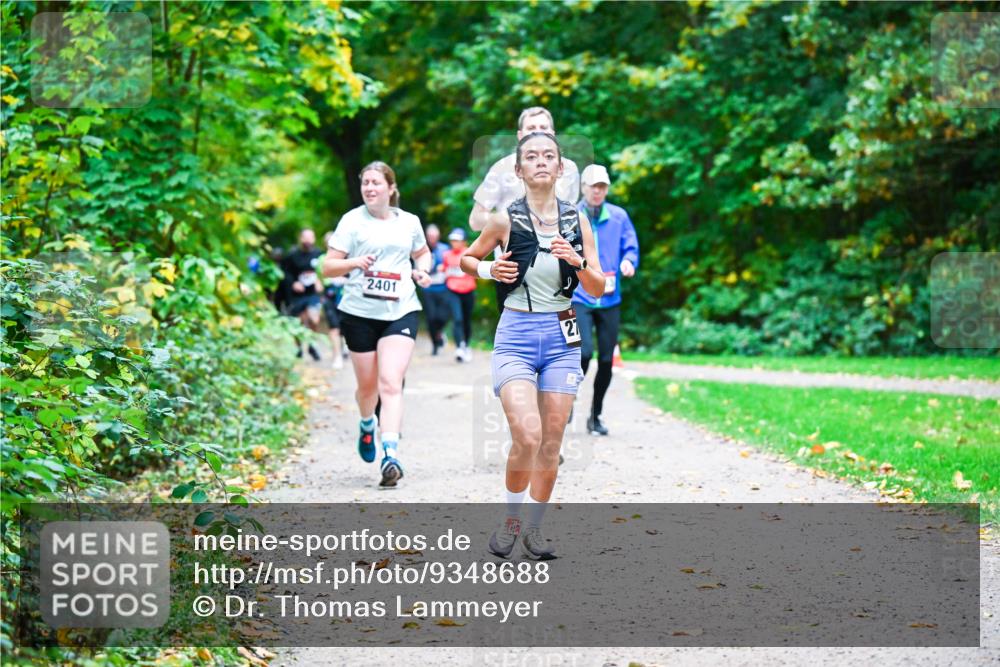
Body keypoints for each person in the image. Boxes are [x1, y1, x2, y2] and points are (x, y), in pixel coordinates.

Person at [460, 132, 604, 559]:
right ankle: (510, 519)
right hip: (516, 337)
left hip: (562, 336)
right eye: (531, 157)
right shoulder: (505, 218)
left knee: (552, 441)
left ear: (561, 169)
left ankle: (534, 531)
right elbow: (468, 259)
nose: (541, 162)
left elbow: (597, 287)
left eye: (549, 156)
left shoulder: (577, 221)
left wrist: (576, 261)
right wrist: (489, 270)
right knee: (527, 434)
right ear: (519, 170)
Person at [322, 161, 433, 488]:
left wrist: (422, 271)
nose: (370, 188)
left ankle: (391, 454)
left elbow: (423, 253)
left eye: (376, 182)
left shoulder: (409, 222)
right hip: (359, 313)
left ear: (390, 188)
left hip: (401, 309)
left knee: (390, 383)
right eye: (365, 183)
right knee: (367, 389)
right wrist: (354, 262)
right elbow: (328, 267)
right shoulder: (351, 221)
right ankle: (367, 423)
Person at [573, 165, 640, 436]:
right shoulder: (570, 215)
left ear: (607, 189)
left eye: (602, 186)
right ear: (583, 188)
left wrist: (628, 261)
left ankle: (595, 415)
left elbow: (631, 245)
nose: (597, 191)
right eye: (593, 186)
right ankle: (565, 402)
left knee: (606, 361)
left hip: (610, 298)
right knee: (583, 353)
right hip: (578, 296)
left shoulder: (618, 216)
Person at [468, 107, 580, 232]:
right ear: (520, 135)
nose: (538, 132)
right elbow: (475, 220)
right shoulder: (501, 168)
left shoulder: (569, 168)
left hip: (556, 249)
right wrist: (514, 221)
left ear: (552, 134)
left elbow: (572, 218)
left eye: (543, 128)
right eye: (531, 128)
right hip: (513, 249)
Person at [281, 229, 324, 360]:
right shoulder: (292, 256)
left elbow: (325, 270)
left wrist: (319, 280)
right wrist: (293, 283)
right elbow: (284, 273)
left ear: (314, 239)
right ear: (300, 239)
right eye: (305, 237)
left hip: (312, 294)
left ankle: (312, 345)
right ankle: (299, 348)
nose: (308, 240)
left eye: (311, 237)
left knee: (314, 319)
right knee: (299, 322)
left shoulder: (319, 254)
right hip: (297, 295)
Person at [443, 228, 477, 362]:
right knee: (457, 319)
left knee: (466, 320)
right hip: (452, 291)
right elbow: (445, 269)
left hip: (468, 291)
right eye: (452, 240)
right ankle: (459, 347)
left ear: (464, 241)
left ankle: (467, 345)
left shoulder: (470, 253)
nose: (454, 243)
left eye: (457, 240)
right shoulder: (446, 255)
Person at [421, 224, 451, 356]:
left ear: (438, 236)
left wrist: (444, 268)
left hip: (443, 287)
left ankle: (439, 333)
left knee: (442, 316)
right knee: (431, 317)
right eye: (430, 236)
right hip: (428, 288)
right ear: (426, 237)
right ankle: (435, 344)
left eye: (434, 235)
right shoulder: (421, 250)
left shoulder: (445, 249)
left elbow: (453, 264)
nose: (432, 238)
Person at [321, 231, 348, 370]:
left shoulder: (348, 258)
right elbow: (318, 279)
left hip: (346, 297)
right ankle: (337, 356)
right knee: (334, 328)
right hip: (329, 297)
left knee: (346, 327)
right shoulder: (320, 259)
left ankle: (346, 346)